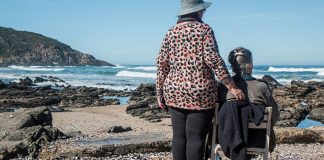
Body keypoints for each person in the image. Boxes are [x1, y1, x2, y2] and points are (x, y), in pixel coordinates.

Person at [156, 1, 245, 160]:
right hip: (200, 93)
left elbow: (162, 64)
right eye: (202, 10)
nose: (203, 13)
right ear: (198, 12)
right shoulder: (204, 30)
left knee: (179, 137)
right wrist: (232, 87)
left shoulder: (171, 32)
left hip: (173, 91)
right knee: (196, 138)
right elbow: (214, 60)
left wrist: (159, 93)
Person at [218, 47, 280, 159]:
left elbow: (216, 117)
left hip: (228, 140)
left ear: (232, 67)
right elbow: (274, 116)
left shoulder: (223, 88)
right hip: (257, 140)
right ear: (249, 65)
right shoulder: (262, 87)